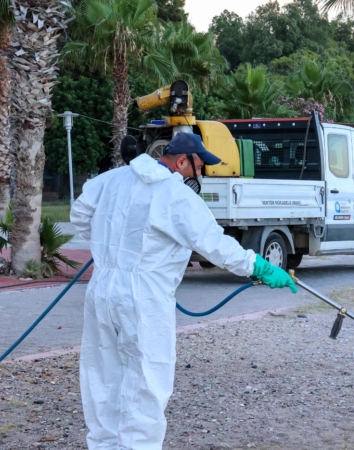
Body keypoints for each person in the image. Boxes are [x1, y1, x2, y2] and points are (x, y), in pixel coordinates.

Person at [70, 132, 297, 449]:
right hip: (145, 294)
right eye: (198, 167)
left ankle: (104, 444)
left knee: (103, 371)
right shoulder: (175, 194)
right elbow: (215, 244)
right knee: (147, 375)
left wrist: (107, 247)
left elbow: (80, 213)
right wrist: (258, 266)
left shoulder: (112, 179)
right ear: (180, 161)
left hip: (103, 287)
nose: (200, 174)